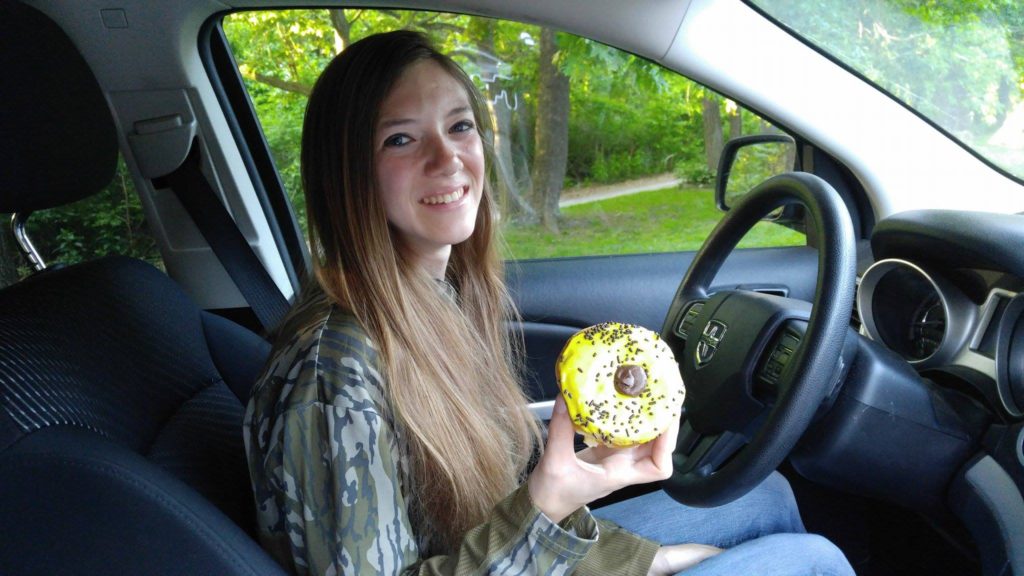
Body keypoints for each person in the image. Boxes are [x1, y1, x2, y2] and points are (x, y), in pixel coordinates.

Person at [243, 29, 856, 576]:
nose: (448, 157)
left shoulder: (429, 300)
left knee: (765, 496)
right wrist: (550, 503)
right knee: (812, 561)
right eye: (401, 139)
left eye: (459, 126)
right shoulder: (335, 374)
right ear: (347, 173)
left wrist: (642, 559)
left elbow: (477, 517)